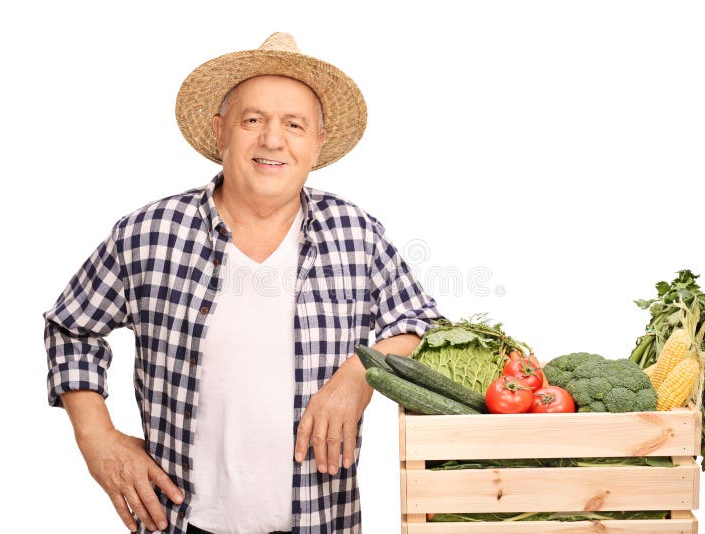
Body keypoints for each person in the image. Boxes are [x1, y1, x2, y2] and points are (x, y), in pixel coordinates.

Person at [43, 32, 441, 534]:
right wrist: (96, 437)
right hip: (180, 522)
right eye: (253, 120)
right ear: (220, 132)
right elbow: (71, 327)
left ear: (316, 145)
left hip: (322, 522)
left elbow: (422, 324)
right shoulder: (150, 233)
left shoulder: (355, 234)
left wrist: (361, 375)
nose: (273, 140)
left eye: (294, 125)